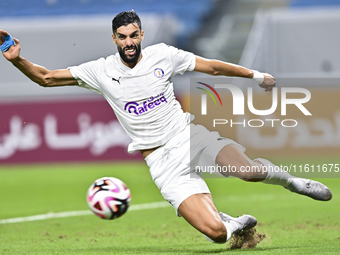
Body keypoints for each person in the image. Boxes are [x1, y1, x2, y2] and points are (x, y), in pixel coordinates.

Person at [0, 11, 332, 244]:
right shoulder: (100, 71)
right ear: (113, 38)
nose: (129, 42)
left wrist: (254, 75)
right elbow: (46, 78)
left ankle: (292, 181)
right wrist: (16, 59)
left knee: (247, 172)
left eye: (134, 36)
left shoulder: (163, 55)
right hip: (160, 161)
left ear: (141, 35)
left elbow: (212, 68)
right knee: (216, 235)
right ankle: (231, 223)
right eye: (122, 37)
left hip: (188, 136)